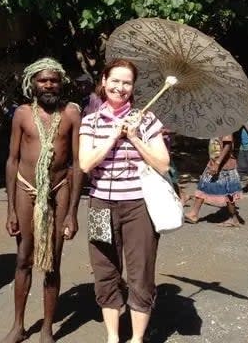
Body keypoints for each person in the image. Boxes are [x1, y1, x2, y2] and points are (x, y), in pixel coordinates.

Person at [79, 58, 170, 343]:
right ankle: (113, 336)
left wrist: (134, 137)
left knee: (140, 270)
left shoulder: (148, 120)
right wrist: (112, 136)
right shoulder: (90, 120)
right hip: (100, 206)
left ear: (133, 87)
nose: (120, 87)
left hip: (139, 208)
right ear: (104, 81)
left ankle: (136, 338)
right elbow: (85, 164)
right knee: (105, 267)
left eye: (127, 82)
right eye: (115, 81)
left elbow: (163, 164)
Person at [1, 58, 83, 343]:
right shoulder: (22, 114)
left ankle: (47, 328)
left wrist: (73, 212)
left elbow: (76, 163)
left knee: (52, 262)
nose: (49, 85)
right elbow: (12, 160)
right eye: (43, 80)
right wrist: (10, 208)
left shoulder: (71, 114)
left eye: (54, 80)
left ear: (61, 83)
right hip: (26, 190)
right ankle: (18, 325)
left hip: (59, 190)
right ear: (32, 84)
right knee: (23, 258)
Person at [184, 134, 243, 227]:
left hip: (224, 167)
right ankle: (193, 214)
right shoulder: (216, 128)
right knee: (203, 186)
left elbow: (228, 145)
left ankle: (234, 218)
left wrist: (217, 163)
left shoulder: (225, 126)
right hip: (212, 165)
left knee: (229, 193)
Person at [237, 104, 248, 186]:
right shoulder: (246, 119)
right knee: (240, 167)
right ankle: (243, 185)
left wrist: (244, 123)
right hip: (243, 147)